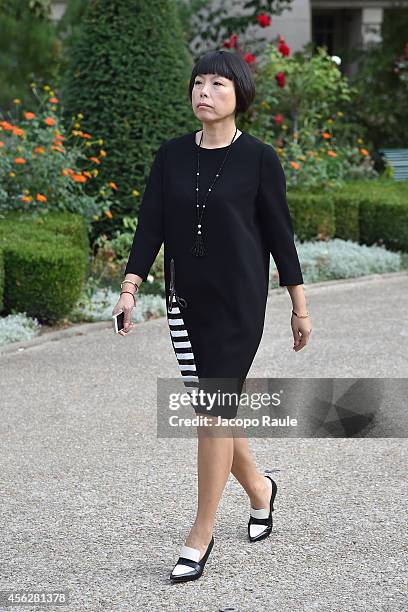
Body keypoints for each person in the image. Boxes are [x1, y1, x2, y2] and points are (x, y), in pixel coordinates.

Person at [112, 49, 312, 583]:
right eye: (198, 83)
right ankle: (262, 490)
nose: (204, 92)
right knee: (215, 410)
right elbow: (149, 226)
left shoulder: (260, 159)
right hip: (185, 303)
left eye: (217, 84)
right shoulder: (171, 156)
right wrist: (131, 288)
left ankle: (201, 533)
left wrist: (299, 304)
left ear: (239, 95)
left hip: (239, 306)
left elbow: (279, 236)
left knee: (211, 415)